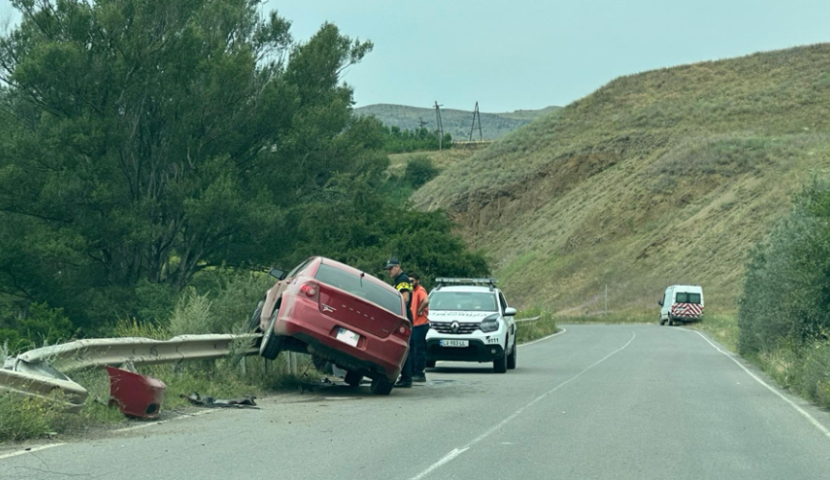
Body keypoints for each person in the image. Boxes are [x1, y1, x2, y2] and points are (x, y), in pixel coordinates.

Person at [384, 258, 413, 388]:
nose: (389, 271)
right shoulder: (399, 280)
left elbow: (405, 299)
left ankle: (407, 378)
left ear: (397, 267)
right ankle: (405, 377)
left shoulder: (402, 280)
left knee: (403, 347)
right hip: (404, 316)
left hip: (404, 316)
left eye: (390, 269)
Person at [409, 273, 430, 383]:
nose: (410, 283)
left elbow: (426, 301)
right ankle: (413, 372)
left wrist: (419, 310)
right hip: (414, 324)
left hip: (420, 324)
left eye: (412, 281)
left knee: (418, 350)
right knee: (412, 349)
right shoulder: (412, 291)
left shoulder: (420, 290)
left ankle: (419, 373)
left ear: (417, 280)